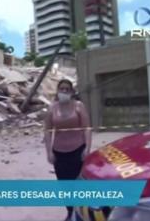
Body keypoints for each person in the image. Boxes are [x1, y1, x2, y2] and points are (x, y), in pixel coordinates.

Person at [44, 79, 92, 221]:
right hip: (59, 153)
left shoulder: (78, 106)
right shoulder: (52, 108)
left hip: (77, 150)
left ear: (71, 92)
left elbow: (87, 128)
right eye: (61, 89)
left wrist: (87, 148)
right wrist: (49, 152)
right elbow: (47, 131)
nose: (64, 92)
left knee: (79, 183)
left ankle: (83, 213)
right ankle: (70, 212)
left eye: (67, 89)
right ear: (57, 91)